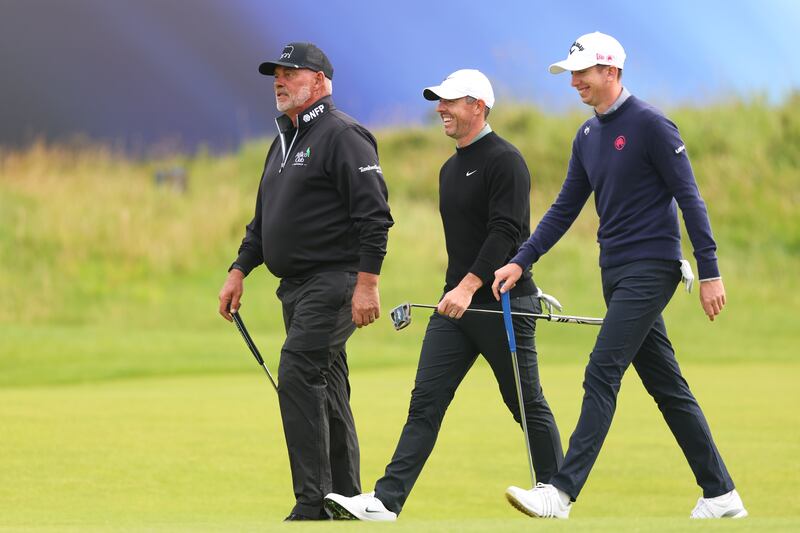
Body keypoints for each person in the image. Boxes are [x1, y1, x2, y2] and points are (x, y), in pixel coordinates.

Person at [493, 32, 747, 519]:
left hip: (652, 269)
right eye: (571, 74)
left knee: (601, 370)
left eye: (582, 72)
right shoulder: (588, 136)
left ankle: (560, 493)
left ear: (610, 71)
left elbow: (690, 198)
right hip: (615, 272)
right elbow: (566, 206)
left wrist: (710, 270)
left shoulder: (652, 125)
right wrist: (523, 259)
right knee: (667, 386)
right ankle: (721, 493)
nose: (575, 82)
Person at [323, 69, 564, 521]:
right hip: (456, 307)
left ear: (478, 106)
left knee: (524, 401)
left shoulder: (506, 160)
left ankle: (555, 492)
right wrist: (459, 290)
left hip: (502, 304)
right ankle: (386, 501)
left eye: (450, 101)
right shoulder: (450, 168)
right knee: (425, 402)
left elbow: (506, 232)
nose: (440, 108)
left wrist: (470, 286)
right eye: (439, 101)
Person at [217, 42, 393, 521]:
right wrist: (239, 270)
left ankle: (312, 503)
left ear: (319, 82)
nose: (280, 80)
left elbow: (375, 217)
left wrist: (368, 283)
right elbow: (264, 221)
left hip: (335, 281)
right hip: (294, 287)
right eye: (276, 74)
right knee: (327, 384)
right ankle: (344, 496)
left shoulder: (343, 135)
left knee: (297, 369)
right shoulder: (283, 141)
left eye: (291, 73)